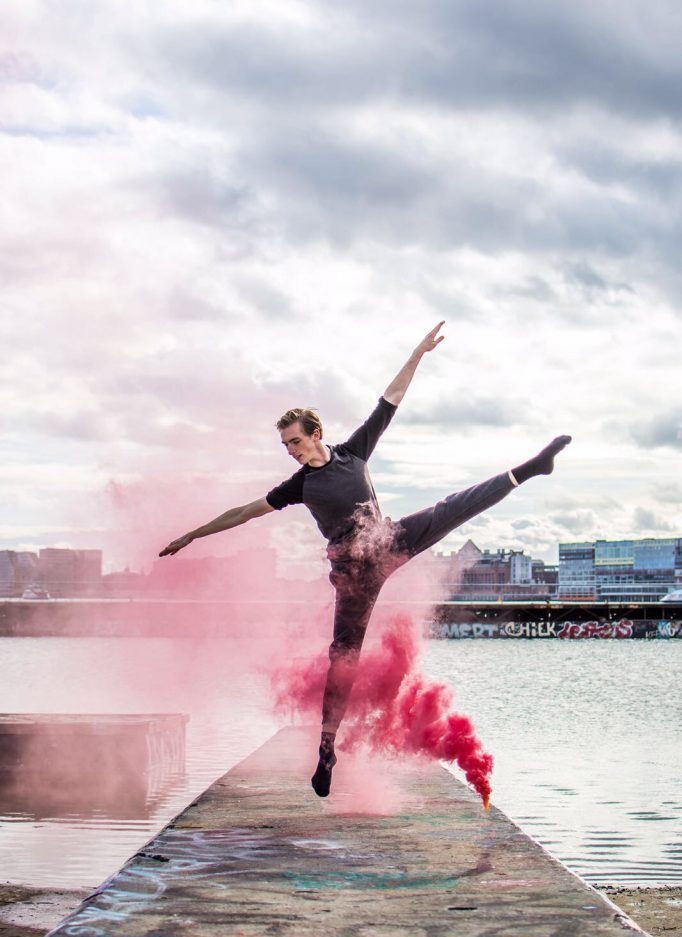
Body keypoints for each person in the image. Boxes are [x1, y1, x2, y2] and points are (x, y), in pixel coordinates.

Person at [159, 322, 571, 797]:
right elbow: (244, 512)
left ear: (316, 434)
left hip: (388, 541)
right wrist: (192, 534)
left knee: (453, 508)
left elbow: (390, 401)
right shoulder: (298, 486)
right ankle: (326, 751)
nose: (290, 452)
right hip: (355, 575)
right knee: (343, 658)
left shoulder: (354, 453)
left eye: (295, 442)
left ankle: (531, 468)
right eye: (286, 446)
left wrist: (417, 353)